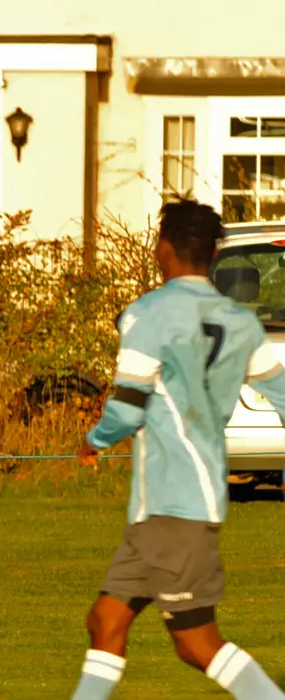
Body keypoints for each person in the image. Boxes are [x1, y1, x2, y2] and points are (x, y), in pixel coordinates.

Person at [71, 197, 285, 699]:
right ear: (213, 255)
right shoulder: (241, 322)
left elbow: (128, 403)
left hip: (174, 506)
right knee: (105, 621)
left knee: (196, 644)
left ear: (163, 248)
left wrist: (93, 440)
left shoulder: (148, 314)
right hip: (174, 505)